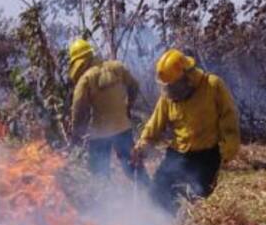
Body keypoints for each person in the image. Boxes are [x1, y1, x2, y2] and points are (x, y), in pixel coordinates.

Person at [131, 49, 241, 213]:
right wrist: (142, 146)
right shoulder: (168, 96)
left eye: (173, 86)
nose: (170, 91)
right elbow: (155, 124)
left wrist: (228, 149)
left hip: (207, 156)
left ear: (187, 77)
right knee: (157, 193)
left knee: (197, 201)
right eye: (167, 87)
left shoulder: (212, 85)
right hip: (179, 154)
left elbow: (228, 117)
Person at [68, 38, 145, 183]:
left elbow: (78, 111)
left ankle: (105, 201)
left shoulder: (85, 80)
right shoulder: (117, 67)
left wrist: (76, 135)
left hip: (100, 133)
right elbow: (134, 86)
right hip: (123, 127)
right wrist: (127, 107)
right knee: (134, 168)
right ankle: (154, 198)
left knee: (99, 174)